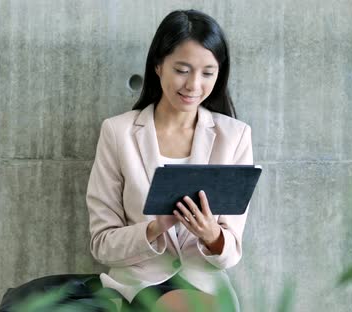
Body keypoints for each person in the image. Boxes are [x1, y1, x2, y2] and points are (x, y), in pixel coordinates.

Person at [86, 9, 253, 312]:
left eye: (207, 73)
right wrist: (155, 228)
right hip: (140, 282)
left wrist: (211, 235)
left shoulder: (235, 136)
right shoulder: (118, 132)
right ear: (158, 66)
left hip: (205, 286)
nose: (193, 85)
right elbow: (102, 244)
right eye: (182, 69)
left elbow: (232, 253)